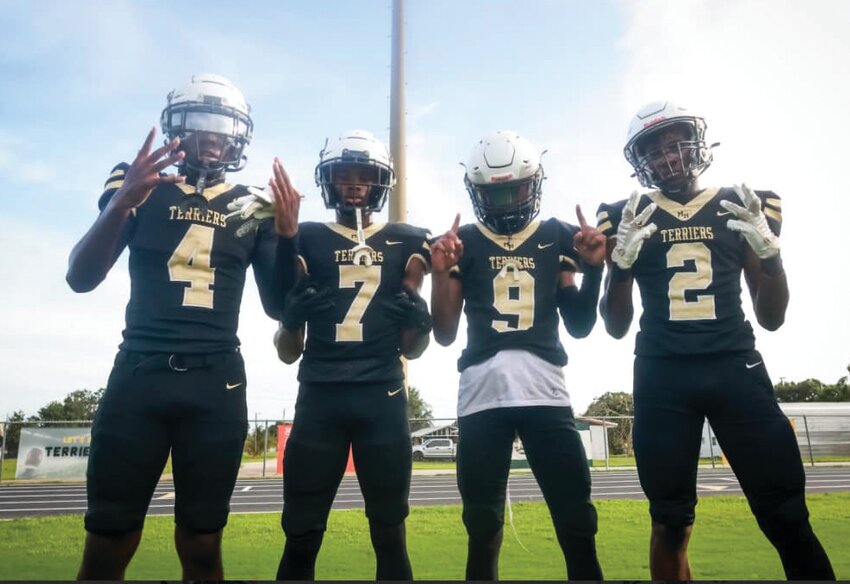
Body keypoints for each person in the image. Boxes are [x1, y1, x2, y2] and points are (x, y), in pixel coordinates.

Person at [597, 101, 835, 580]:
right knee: (669, 522)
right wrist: (619, 268)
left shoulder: (742, 203)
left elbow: (772, 317)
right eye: (655, 150)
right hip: (664, 375)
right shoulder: (626, 214)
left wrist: (772, 258)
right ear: (640, 162)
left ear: (696, 143)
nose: (668, 157)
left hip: (735, 368)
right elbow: (616, 324)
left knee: (787, 515)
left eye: (675, 142)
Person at [66, 74, 282, 580]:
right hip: (140, 374)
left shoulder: (254, 202)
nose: (211, 137)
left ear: (238, 138)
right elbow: (81, 276)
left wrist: (287, 236)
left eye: (222, 127)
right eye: (200, 124)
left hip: (216, 380)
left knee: (203, 544)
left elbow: (277, 306)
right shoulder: (136, 179)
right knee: (108, 541)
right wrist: (124, 202)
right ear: (176, 129)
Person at [430, 130, 606, 580]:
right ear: (477, 192)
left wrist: (593, 269)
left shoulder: (557, 236)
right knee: (483, 526)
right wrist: (439, 272)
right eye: (496, 191)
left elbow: (582, 325)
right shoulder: (463, 241)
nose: (507, 201)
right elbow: (446, 333)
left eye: (516, 188)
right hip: (482, 395)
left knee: (577, 521)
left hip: (545, 391)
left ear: (534, 183)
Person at [270, 129, 433, 581]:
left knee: (390, 534)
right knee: (301, 534)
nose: (356, 183)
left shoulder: (408, 239)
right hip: (319, 394)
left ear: (381, 182)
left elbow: (412, 350)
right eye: (345, 175)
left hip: (381, 395)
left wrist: (422, 322)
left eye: (365, 175)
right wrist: (288, 319)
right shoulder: (304, 238)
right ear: (329, 181)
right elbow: (288, 353)